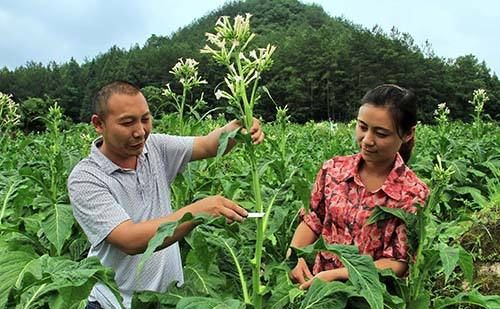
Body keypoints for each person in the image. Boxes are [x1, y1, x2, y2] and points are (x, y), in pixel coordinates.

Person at [68, 80, 264, 309]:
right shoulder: (86, 177)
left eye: (145, 119)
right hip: (116, 304)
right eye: (127, 122)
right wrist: (197, 212)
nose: (140, 132)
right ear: (98, 124)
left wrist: (240, 126)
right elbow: (129, 240)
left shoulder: (155, 148)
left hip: (170, 300)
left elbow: (208, 145)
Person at [288, 84, 429, 289]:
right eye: (362, 127)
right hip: (319, 293)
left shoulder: (413, 193)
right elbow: (313, 220)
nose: (367, 140)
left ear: (407, 134)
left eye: (381, 133)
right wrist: (295, 257)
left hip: (372, 296)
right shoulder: (333, 170)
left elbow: (399, 262)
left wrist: (339, 275)